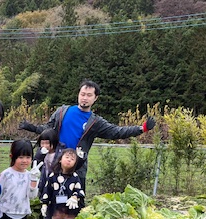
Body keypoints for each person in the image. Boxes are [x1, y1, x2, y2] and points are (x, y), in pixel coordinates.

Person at [19, 79, 156, 191]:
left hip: (77, 166)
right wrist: (31, 127)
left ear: (95, 98)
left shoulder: (95, 122)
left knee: (75, 202)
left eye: (89, 95)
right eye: (82, 94)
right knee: (48, 198)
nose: (85, 98)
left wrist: (142, 128)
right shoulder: (62, 111)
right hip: (54, 162)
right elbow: (48, 130)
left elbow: (116, 131)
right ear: (78, 94)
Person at [43, 148, 85, 219]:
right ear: (60, 159)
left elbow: (79, 191)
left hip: (71, 210)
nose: (69, 160)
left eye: (72, 159)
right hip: (57, 209)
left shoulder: (75, 177)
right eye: (67, 157)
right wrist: (44, 204)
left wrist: (75, 197)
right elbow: (47, 190)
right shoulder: (53, 176)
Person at [34, 128, 63, 219]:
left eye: (47, 143)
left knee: (60, 209)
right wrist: (40, 155)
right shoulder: (40, 153)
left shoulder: (61, 152)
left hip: (59, 187)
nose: (44, 145)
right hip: (45, 186)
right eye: (42, 143)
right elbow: (35, 165)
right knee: (46, 209)